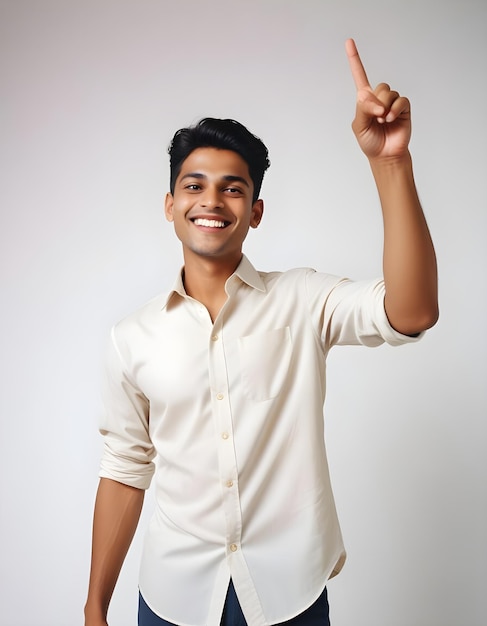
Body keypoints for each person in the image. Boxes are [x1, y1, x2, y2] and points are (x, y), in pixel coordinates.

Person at [84, 39, 438, 626]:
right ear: (170, 205)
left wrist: (391, 162)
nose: (212, 201)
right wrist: (95, 607)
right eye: (194, 186)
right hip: (172, 598)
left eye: (233, 187)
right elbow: (125, 467)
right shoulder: (132, 337)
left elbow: (413, 311)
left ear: (255, 210)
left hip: (289, 595)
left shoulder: (303, 299)